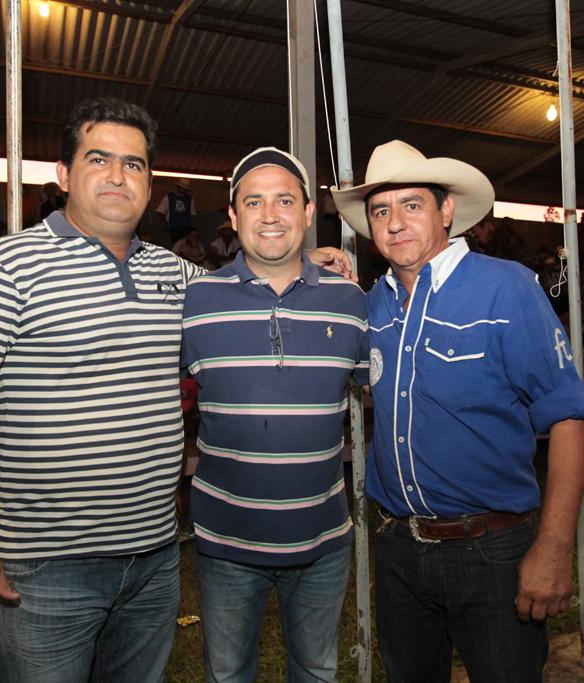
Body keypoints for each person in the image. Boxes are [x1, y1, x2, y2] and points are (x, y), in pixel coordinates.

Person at [0, 96, 352, 683]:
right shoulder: (4, 266)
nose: (119, 176)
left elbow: (256, 277)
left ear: (149, 185)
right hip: (45, 568)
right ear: (65, 174)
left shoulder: (178, 277)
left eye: (135, 164)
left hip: (155, 557)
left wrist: (314, 259)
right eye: (99, 160)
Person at [331, 140, 584, 683]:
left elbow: (570, 418)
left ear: (446, 210)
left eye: (412, 205)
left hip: (492, 552)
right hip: (399, 549)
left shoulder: (506, 288)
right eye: (382, 210)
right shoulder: (373, 303)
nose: (396, 223)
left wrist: (553, 547)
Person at [182, 148, 368, 682]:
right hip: (226, 542)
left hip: (323, 540)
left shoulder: (350, 300)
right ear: (234, 217)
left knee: (315, 671)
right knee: (227, 673)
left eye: (285, 200)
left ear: (309, 214)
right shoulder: (195, 299)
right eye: (254, 202)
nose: (269, 215)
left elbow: (371, 383)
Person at [156, 178, 196, 246]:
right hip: (172, 228)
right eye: (182, 188)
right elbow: (160, 212)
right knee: (174, 246)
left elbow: (192, 214)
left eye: (185, 189)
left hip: (186, 229)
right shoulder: (169, 197)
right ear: (178, 187)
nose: (184, 190)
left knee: (184, 247)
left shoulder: (189, 199)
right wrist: (164, 224)